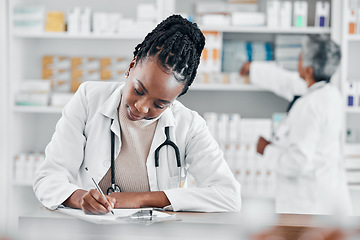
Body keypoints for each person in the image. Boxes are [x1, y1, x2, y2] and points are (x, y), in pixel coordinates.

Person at [34, 15, 241, 214]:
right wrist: (80, 198)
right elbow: (48, 178)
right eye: (139, 90)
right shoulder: (89, 99)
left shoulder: (189, 125)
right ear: (131, 66)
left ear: (175, 100)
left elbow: (229, 196)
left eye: (160, 104)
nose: (142, 108)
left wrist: (140, 199)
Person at [240, 34, 352, 215]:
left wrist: (267, 150)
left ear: (308, 71)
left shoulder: (310, 106)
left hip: (309, 205)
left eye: (300, 58)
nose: (297, 61)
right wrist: (254, 69)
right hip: (325, 197)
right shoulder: (330, 94)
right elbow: (287, 82)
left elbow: (297, 163)